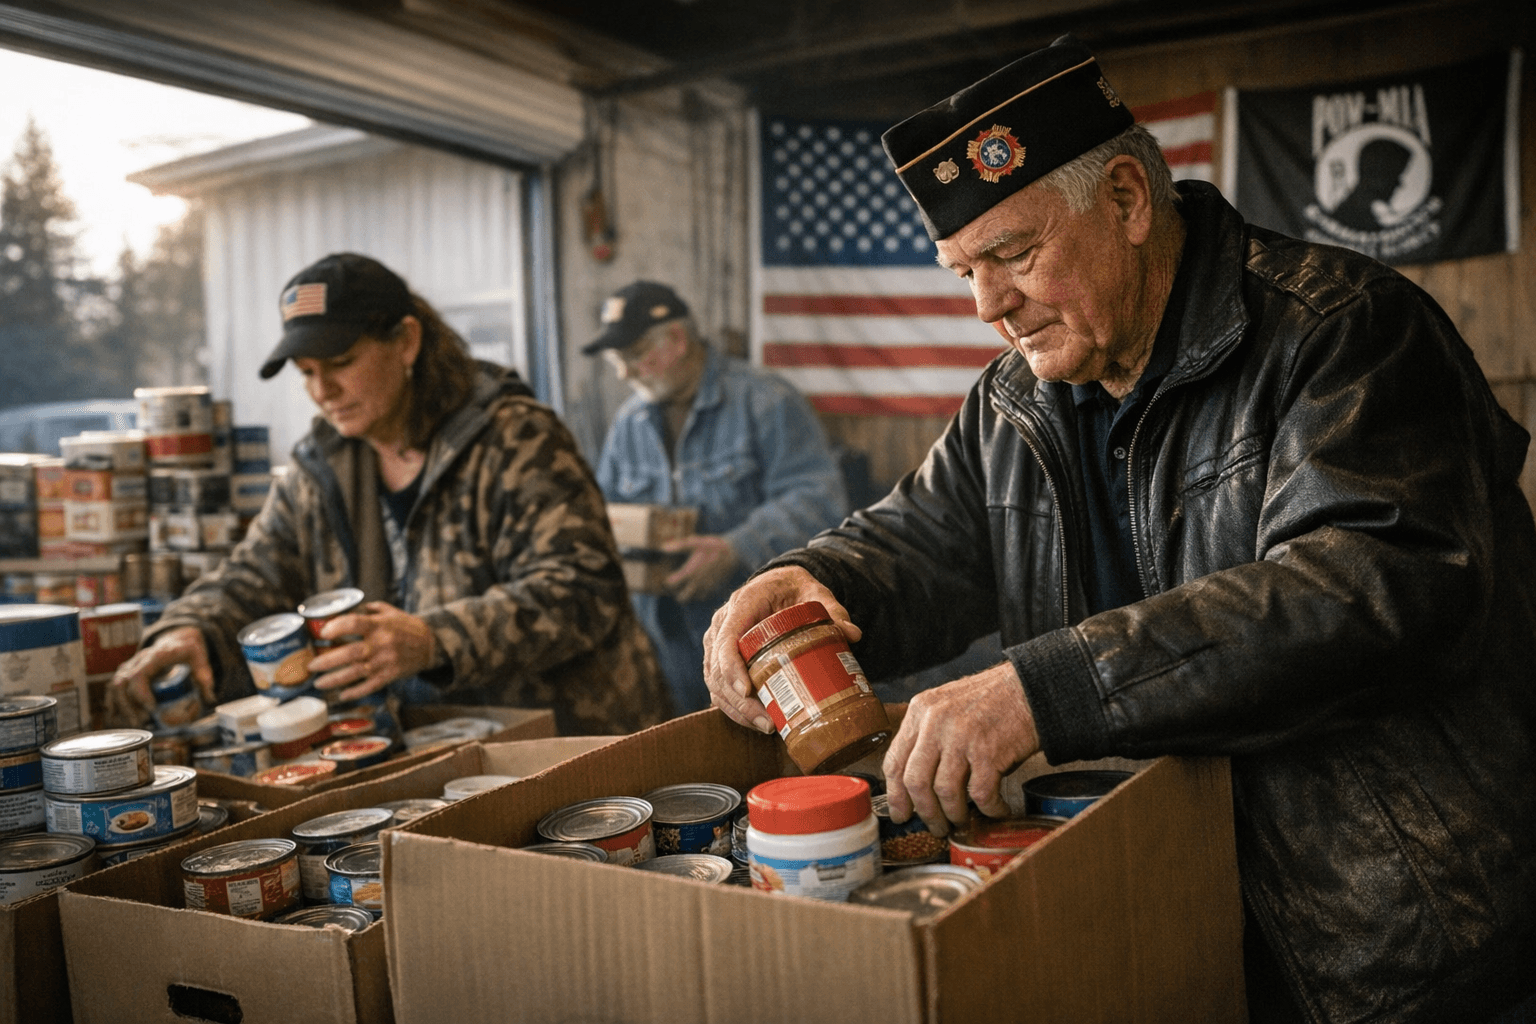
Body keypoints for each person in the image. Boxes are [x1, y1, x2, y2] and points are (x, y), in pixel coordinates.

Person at [703, 36, 1536, 1024]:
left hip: (1392, 940)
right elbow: (918, 545)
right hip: (1163, 897)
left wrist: (1047, 688)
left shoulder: (1345, 328)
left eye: (1014, 255)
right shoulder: (1014, 401)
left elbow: (1371, 585)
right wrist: (810, 579)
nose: (988, 306)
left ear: (1130, 201)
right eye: (963, 271)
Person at [110, 252, 671, 735]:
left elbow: (582, 590)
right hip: (440, 751)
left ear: (406, 341)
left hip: (573, 745)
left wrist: (433, 639)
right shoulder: (322, 464)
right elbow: (253, 572)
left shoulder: (516, 438)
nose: (322, 391)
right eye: (306, 372)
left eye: (341, 363)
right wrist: (189, 628)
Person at [584, 280, 847, 714]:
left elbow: (819, 499)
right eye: (617, 361)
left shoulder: (766, 400)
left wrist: (735, 548)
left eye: (634, 356)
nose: (624, 373)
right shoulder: (628, 424)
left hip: (761, 639)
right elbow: (603, 516)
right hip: (664, 646)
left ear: (677, 339)